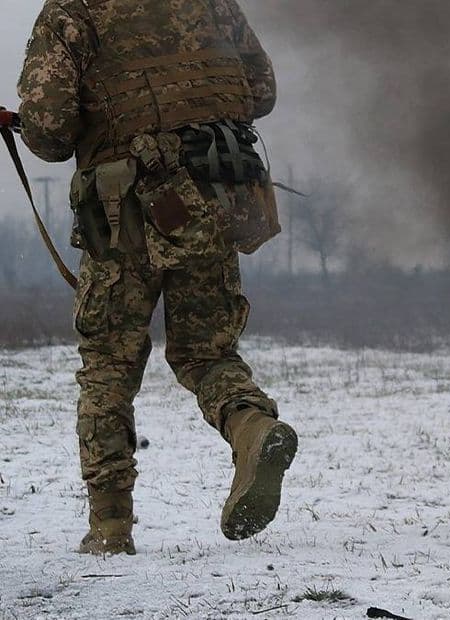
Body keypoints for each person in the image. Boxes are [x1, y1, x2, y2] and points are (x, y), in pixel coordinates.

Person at [17, 0, 295, 555]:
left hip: (126, 213)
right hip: (216, 194)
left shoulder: (73, 10)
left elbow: (49, 131)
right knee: (206, 352)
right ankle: (251, 427)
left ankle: (110, 526)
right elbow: (260, 90)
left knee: (109, 364)